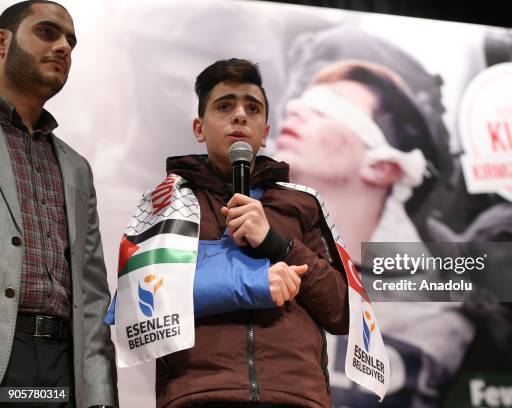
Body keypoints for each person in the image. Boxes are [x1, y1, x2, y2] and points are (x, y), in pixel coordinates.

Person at [275, 60, 474, 407]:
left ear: (383, 167)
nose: (294, 109)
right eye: (302, 102)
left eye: (326, 109)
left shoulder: (432, 324)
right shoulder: (228, 260)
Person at [154, 58, 350, 407]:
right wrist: (252, 282)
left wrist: (276, 242)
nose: (240, 115)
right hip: (199, 394)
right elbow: (144, 300)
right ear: (199, 128)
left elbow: (341, 311)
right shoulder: (167, 201)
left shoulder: (304, 203)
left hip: (298, 397)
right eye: (225, 106)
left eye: (252, 108)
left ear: (265, 131)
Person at [0, 1, 117, 407]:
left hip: (61, 366)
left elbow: (92, 294)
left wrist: (101, 396)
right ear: (2, 43)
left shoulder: (76, 167)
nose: (64, 47)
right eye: (48, 33)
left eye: (71, 41)